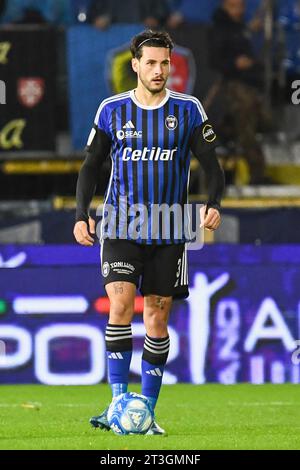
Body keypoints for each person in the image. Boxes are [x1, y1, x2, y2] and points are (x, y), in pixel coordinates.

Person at [74, 29, 224, 435]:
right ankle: (118, 402)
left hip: (170, 226)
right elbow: (91, 165)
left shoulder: (189, 109)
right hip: (122, 222)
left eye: (165, 63)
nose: (160, 71)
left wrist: (214, 203)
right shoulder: (111, 110)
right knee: (121, 306)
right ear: (135, 65)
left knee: (157, 316)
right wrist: (80, 213)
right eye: (151, 63)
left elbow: (213, 164)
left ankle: (147, 412)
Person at [210, 0, 269, 184]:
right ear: (225, 7)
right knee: (246, 123)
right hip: (232, 87)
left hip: (251, 85)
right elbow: (215, 61)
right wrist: (235, 64)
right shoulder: (219, 29)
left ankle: (228, 131)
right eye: (234, 6)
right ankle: (257, 173)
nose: (239, 10)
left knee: (262, 122)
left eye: (241, 6)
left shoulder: (241, 29)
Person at [88, 0, 170, 30]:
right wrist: (98, 19)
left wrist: (154, 18)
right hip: (112, 37)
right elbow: (93, 12)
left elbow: (161, 10)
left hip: (143, 35)